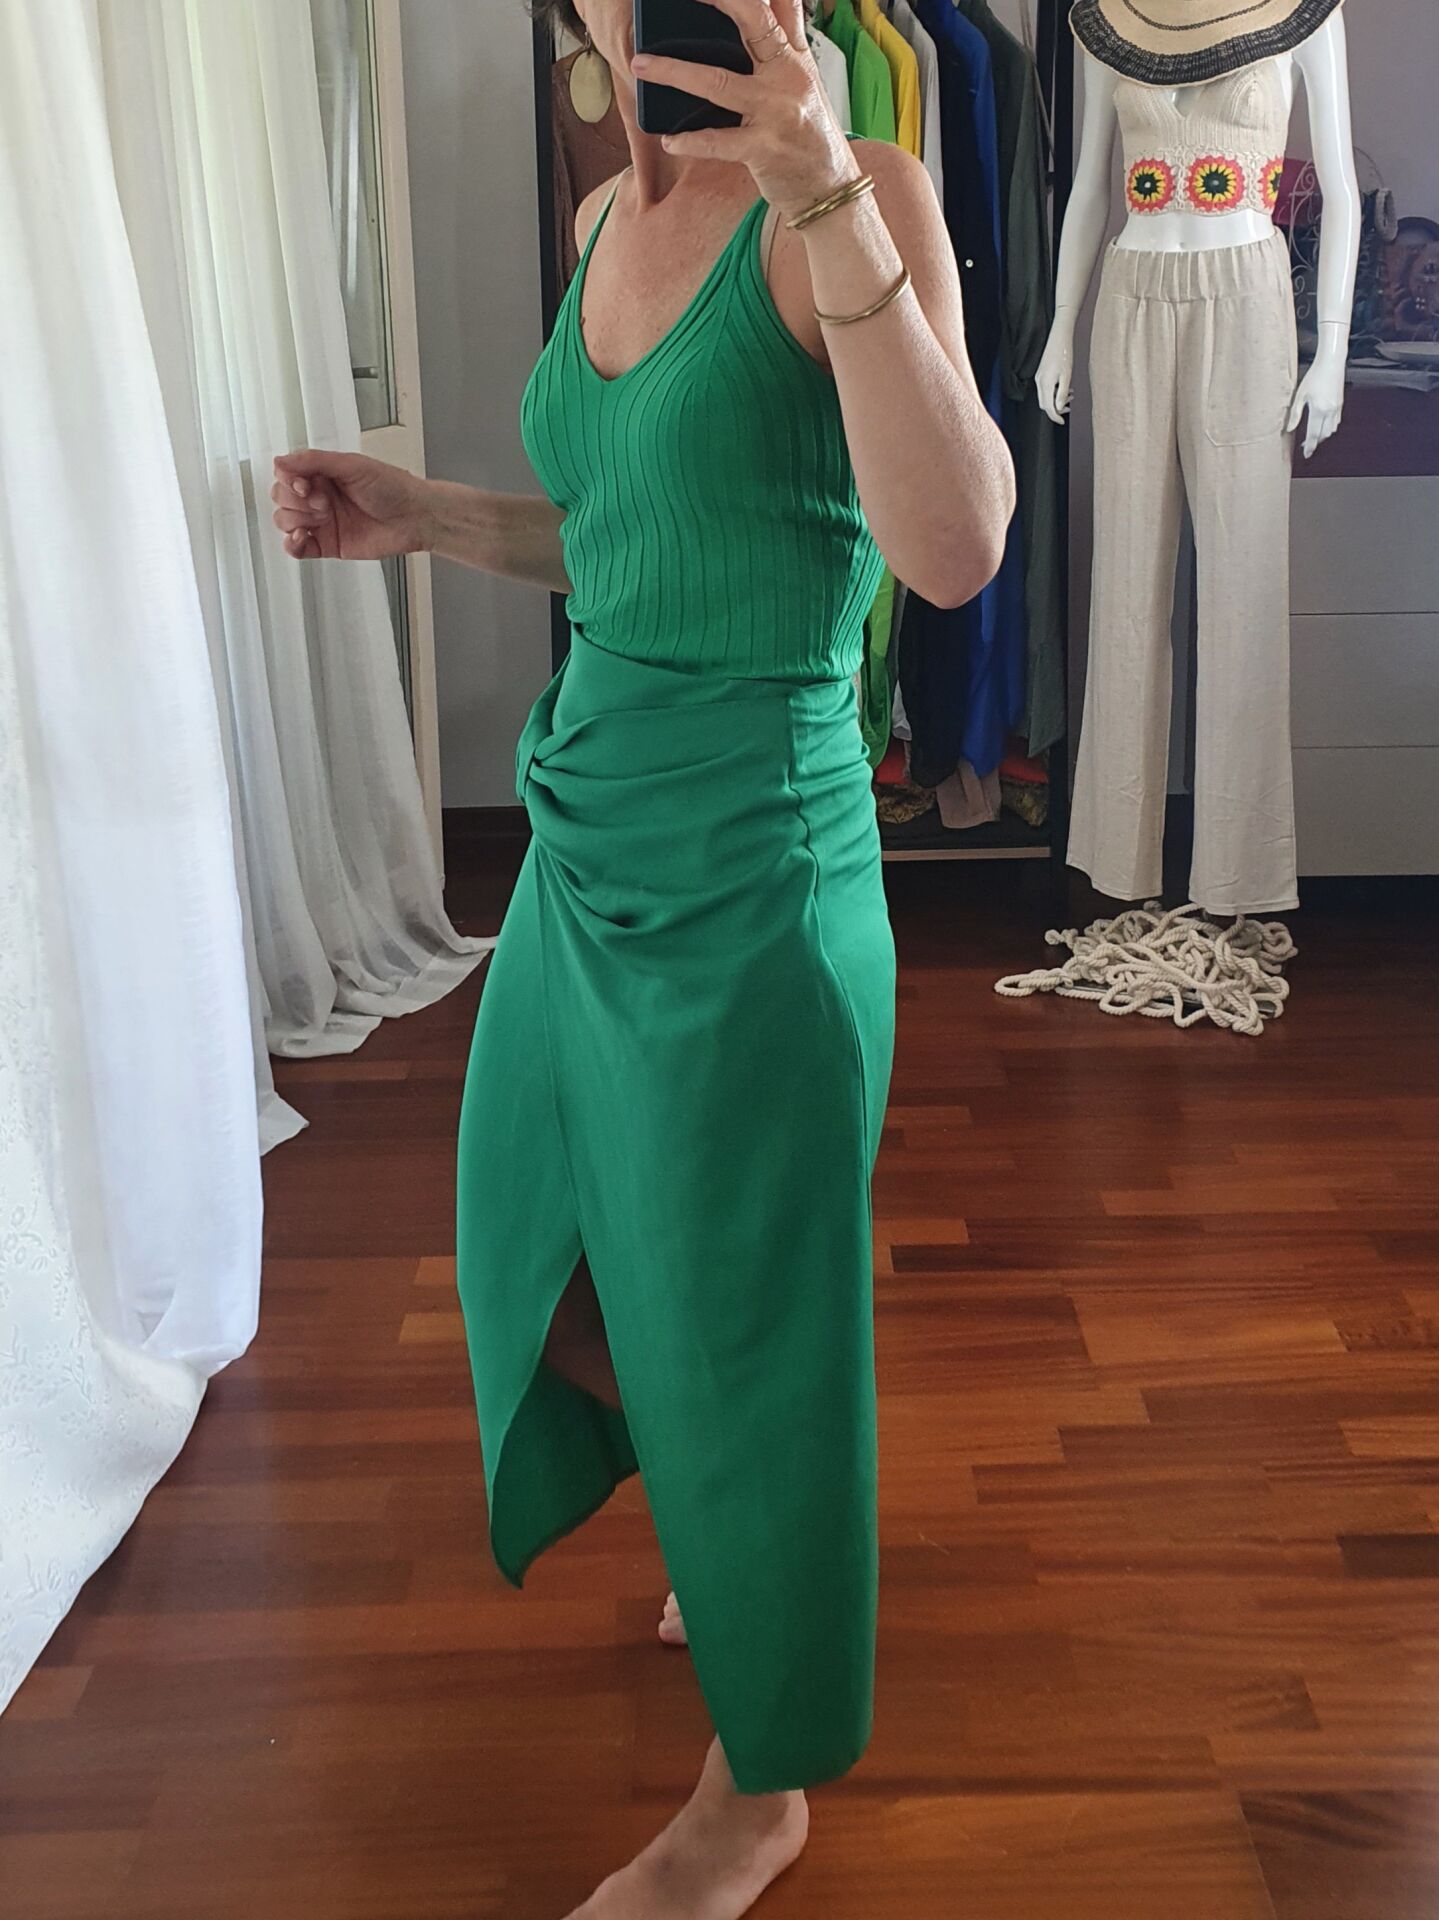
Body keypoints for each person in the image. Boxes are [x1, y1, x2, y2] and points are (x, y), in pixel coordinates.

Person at [272, 1, 1011, 1912]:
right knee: (553, 1247)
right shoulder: (610, 213)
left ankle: (756, 1796)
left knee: (751, 1327)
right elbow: (633, 531)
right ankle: (723, 1511)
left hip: (753, 871)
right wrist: (429, 518)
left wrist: (825, 188)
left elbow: (954, 548)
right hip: (581, 835)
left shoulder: (866, 189)